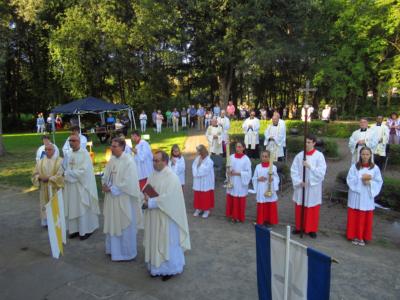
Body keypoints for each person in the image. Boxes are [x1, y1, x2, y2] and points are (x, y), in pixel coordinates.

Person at [142, 151, 191, 281]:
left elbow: (169, 199)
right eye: (153, 160)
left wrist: (151, 202)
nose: (154, 163)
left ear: (165, 161)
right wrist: (145, 196)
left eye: (157, 160)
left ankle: (170, 269)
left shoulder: (172, 177)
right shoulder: (152, 175)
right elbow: (147, 188)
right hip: (154, 217)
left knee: (168, 243)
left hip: (167, 217)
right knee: (155, 240)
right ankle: (156, 268)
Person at [102, 138, 143, 261]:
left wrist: (113, 189)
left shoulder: (129, 161)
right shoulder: (112, 160)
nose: (112, 148)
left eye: (115, 146)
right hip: (112, 199)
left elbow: (129, 182)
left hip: (123, 200)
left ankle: (126, 253)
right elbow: (106, 175)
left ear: (122, 147)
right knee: (113, 222)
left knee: (124, 225)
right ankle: (113, 250)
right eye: (111, 146)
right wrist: (104, 184)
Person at [63, 135, 100, 240]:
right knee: (72, 207)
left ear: (79, 142)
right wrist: (66, 173)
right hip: (71, 186)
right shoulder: (69, 154)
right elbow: (65, 167)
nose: (71, 143)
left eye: (73, 141)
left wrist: (69, 174)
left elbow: (84, 172)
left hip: (82, 186)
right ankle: (74, 230)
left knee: (82, 207)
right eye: (70, 140)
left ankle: (87, 229)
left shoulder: (85, 154)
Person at [290, 134, 326, 238]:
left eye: (309, 142)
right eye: (305, 142)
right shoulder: (300, 155)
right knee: (300, 206)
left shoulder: (319, 156)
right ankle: (299, 227)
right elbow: (294, 170)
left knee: (312, 207)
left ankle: (311, 229)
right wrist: (299, 181)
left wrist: (310, 167)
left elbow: (321, 172)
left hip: (312, 187)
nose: (306, 144)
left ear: (314, 143)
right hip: (301, 186)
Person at [346, 147, 383, 246]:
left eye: (367, 154)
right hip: (356, 195)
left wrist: (370, 182)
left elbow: (379, 181)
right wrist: (361, 179)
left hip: (367, 196)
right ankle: (352, 235)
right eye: (363, 154)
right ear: (360, 155)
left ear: (370, 155)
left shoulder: (375, 168)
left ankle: (362, 237)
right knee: (355, 216)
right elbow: (349, 179)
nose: (365, 156)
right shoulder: (355, 167)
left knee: (364, 217)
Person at [32, 143, 64, 227]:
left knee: (55, 205)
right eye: (45, 150)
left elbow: (61, 175)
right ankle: (45, 220)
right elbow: (34, 174)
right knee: (44, 204)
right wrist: (39, 177)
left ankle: (56, 221)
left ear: (54, 150)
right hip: (44, 188)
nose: (47, 151)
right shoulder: (40, 162)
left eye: (49, 149)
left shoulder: (60, 161)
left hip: (54, 188)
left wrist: (49, 178)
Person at [225, 142, 252, 223]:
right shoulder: (231, 157)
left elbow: (248, 173)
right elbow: (227, 168)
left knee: (239, 201)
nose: (238, 148)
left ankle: (239, 217)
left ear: (243, 148)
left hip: (241, 182)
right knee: (232, 199)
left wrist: (238, 173)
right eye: (237, 147)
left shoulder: (246, 159)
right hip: (233, 181)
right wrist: (229, 171)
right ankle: (232, 216)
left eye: (240, 147)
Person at [252, 150, 280, 226]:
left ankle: (269, 220)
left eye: (266, 156)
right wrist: (258, 179)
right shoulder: (258, 167)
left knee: (269, 203)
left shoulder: (273, 167)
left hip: (269, 188)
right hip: (261, 188)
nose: (264, 158)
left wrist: (273, 179)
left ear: (269, 158)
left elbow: (277, 178)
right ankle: (261, 220)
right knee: (262, 204)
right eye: (263, 156)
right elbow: (254, 178)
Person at [192, 144, 215, 218]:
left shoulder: (209, 161)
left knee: (205, 195)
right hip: (198, 181)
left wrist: (199, 166)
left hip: (206, 181)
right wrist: (197, 168)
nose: (197, 153)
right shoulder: (197, 158)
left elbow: (205, 171)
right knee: (198, 195)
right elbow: (193, 166)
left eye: (198, 151)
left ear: (202, 152)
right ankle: (198, 209)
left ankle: (206, 210)